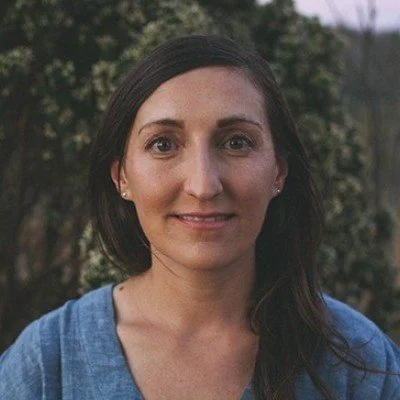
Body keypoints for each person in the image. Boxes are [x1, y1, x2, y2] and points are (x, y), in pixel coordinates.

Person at [0, 35, 399, 400]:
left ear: (278, 171)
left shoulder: (358, 362)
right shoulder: (47, 366)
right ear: (122, 177)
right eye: (163, 144)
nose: (203, 185)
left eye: (236, 142)